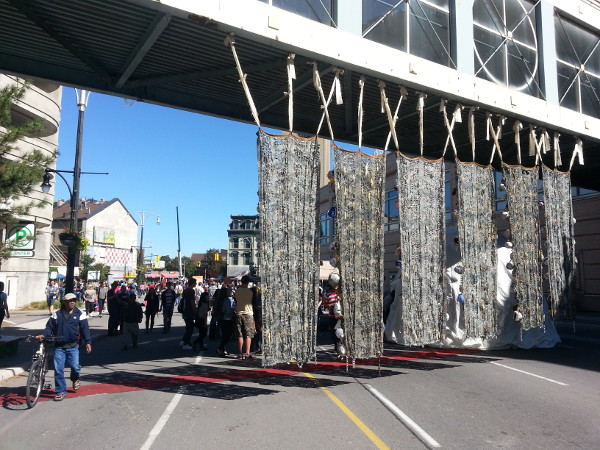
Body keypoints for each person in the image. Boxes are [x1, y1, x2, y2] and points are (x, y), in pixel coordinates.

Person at [36, 293, 92, 401]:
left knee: (75, 366)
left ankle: (75, 379)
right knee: (58, 369)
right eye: (70, 300)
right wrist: (44, 335)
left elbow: (85, 329)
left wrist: (88, 342)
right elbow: (49, 328)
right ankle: (61, 391)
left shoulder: (80, 314)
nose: (72, 302)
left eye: (74, 300)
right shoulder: (57, 315)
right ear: (65, 302)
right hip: (59, 347)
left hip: (73, 346)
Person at [234, 275, 254, 359]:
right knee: (248, 334)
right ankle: (247, 352)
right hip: (248, 313)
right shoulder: (250, 292)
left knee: (240, 334)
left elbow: (236, 300)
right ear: (248, 283)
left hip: (239, 313)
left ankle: (240, 353)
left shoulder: (237, 291)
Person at [216, 287, 236, 357]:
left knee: (225, 335)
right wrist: (235, 309)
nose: (231, 292)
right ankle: (220, 348)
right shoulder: (227, 299)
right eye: (230, 291)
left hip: (223, 318)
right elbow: (229, 310)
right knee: (228, 335)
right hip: (227, 318)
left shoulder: (221, 300)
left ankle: (223, 349)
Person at [179, 278, 197, 350]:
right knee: (190, 327)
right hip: (189, 310)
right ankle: (186, 343)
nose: (195, 284)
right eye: (195, 283)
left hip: (184, 310)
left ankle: (184, 341)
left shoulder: (185, 290)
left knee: (188, 326)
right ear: (192, 283)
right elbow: (192, 301)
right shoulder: (191, 291)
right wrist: (195, 309)